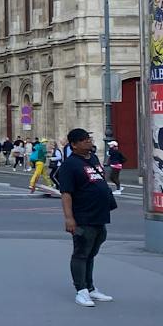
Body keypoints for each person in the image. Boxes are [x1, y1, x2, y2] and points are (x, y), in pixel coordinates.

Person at [58, 127, 115, 307]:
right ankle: (81, 291)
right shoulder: (69, 165)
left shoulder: (93, 158)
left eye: (89, 139)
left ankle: (90, 288)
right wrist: (69, 218)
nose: (89, 142)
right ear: (74, 145)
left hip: (99, 214)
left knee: (91, 252)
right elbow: (66, 193)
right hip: (83, 215)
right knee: (81, 252)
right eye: (84, 140)